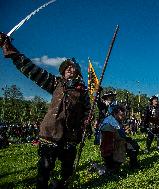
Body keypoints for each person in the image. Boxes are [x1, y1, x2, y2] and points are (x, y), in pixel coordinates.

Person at [0, 33, 91, 188]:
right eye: (67, 67)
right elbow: (31, 69)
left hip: (70, 136)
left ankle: (62, 185)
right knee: (45, 167)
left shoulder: (83, 92)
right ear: (62, 72)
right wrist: (9, 49)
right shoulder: (55, 83)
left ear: (77, 72)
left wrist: (85, 126)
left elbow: (87, 113)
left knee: (67, 169)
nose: (70, 68)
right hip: (50, 133)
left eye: (73, 67)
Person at [99, 105, 139, 173]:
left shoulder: (116, 120)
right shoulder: (108, 124)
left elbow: (120, 134)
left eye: (124, 115)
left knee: (133, 146)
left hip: (116, 145)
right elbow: (107, 144)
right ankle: (111, 166)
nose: (123, 116)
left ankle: (133, 165)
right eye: (121, 115)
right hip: (111, 150)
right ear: (115, 114)